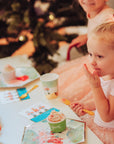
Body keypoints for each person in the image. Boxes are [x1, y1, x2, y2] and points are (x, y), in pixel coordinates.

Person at [52, 0, 114, 104]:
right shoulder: (93, 10)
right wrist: (87, 36)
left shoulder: (108, 18)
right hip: (93, 58)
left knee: (69, 95)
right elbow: (99, 35)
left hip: (102, 68)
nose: (87, 0)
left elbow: (108, 42)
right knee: (59, 83)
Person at [70, 21, 114, 128]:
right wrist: (88, 105)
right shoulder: (107, 74)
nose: (92, 62)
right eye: (90, 54)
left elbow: (107, 116)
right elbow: (105, 100)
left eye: (99, 56)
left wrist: (96, 86)